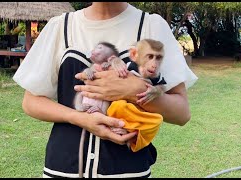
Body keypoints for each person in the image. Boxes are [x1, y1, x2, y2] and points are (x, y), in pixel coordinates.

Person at [13, 2, 198, 178]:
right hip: (62, 168)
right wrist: (80, 118)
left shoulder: (151, 26)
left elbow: (182, 113)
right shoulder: (60, 27)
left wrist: (135, 91)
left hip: (128, 170)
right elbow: (30, 102)